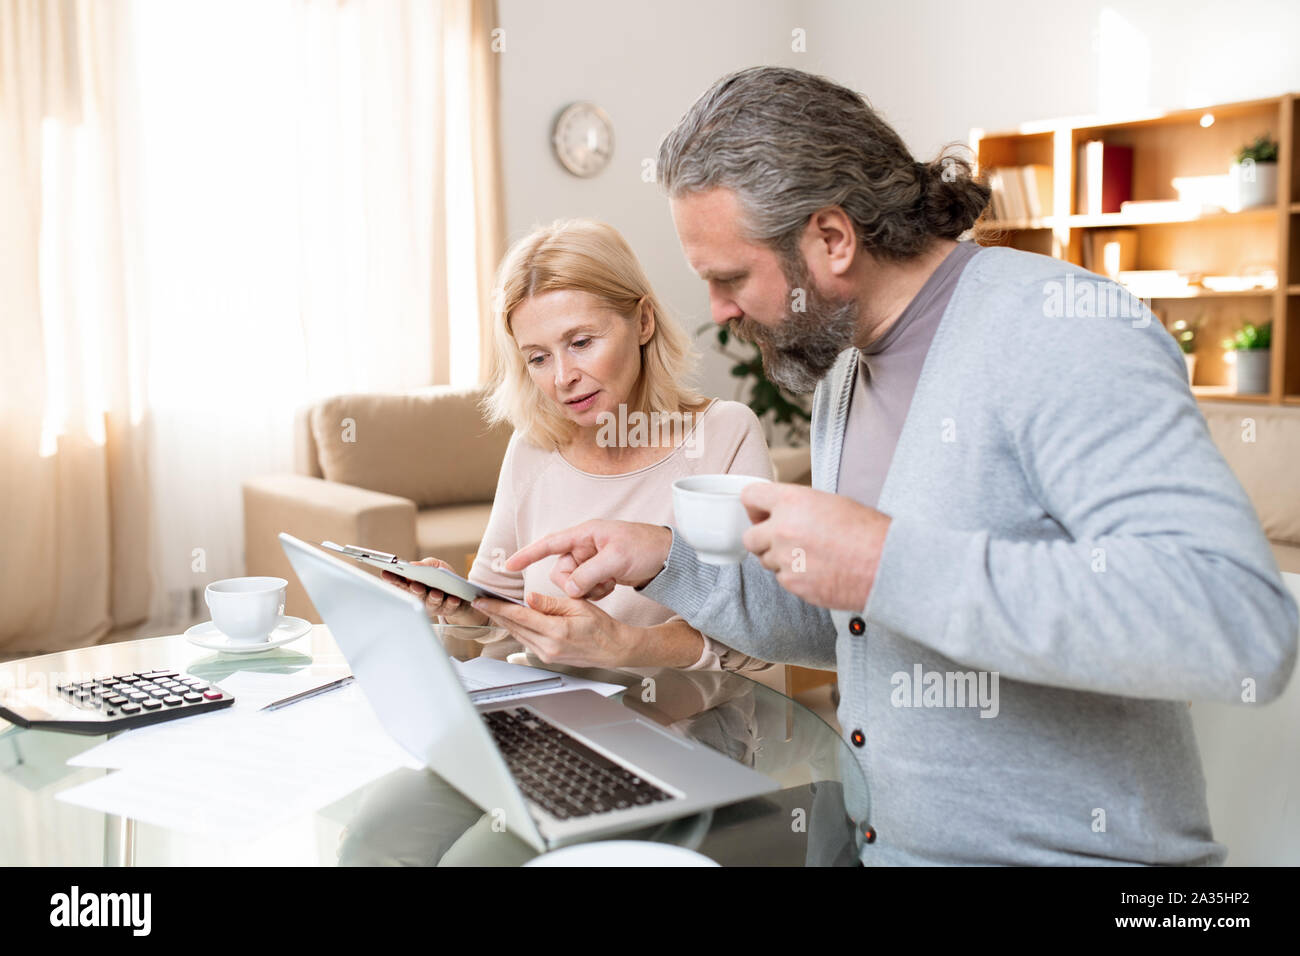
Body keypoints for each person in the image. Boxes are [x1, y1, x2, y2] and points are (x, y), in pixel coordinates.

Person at [474, 67, 1299, 865]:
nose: (720, 314)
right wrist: (668, 557)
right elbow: (850, 626)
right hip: (885, 842)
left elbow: (1239, 628)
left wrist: (885, 559)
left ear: (831, 237)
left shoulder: (1060, 333)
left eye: (730, 278)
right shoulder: (846, 374)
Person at [384, 218, 774, 674]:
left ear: (643, 321)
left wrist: (623, 645)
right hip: (550, 719)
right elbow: (499, 609)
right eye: (538, 358)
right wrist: (459, 605)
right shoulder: (534, 447)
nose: (562, 377)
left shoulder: (725, 434)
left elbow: (760, 627)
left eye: (582, 342)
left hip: (684, 725)